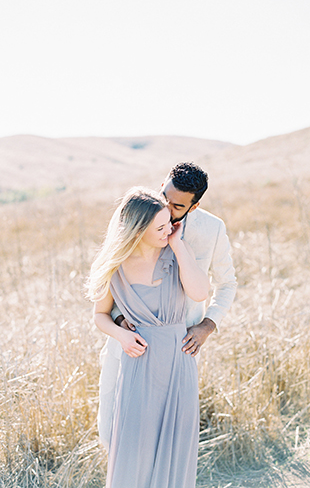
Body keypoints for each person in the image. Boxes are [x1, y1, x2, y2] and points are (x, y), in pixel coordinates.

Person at [97, 162, 237, 451]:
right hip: (131, 347)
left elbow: (227, 285)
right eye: (165, 196)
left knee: (169, 437)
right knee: (116, 430)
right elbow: (113, 281)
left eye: (178, 206)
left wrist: (207, 326)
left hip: (179, 349)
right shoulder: (140, 215)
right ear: (163, 183)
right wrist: (120, 318)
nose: (167, 208)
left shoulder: (212, 230)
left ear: (194, 206)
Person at [88, 187, 210, 488]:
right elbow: (99, 316)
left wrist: (179, 246)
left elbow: (200, 293)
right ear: (138, 230)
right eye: (160, 227)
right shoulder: (114, 267)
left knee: (176, 453)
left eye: (169, 222)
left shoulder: (176, 254)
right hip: (138, 368)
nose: (168, 229)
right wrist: (122, 336)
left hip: (179, 365)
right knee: (134, 455)